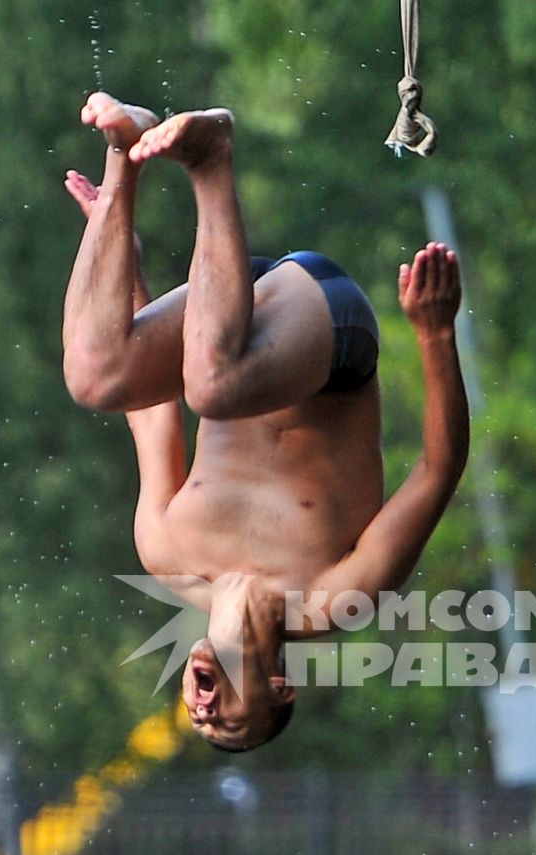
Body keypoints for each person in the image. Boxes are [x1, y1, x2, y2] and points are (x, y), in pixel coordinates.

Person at [61, 94, 470, 751]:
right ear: (280, 684)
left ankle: (124, 152)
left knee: (94, 375)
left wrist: (119, 259)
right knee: (213, 385)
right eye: (227, 720)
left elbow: (148, 412)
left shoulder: (165, 553)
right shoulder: (336, 598)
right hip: (325, 330)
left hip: (227, 317)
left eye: (198, 721)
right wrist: (434, 335)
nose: (203, 713)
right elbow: (437, 472)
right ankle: (212, 158)